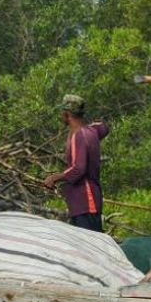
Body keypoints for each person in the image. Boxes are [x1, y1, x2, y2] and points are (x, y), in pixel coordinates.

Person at [43, 94, 109, 232]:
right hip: (87, 202)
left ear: (67, 114)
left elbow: (78, 168)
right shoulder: (92, 131)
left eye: (62, 112)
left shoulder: (78, 136)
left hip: (85, 202)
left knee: (89, 247)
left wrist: (54, 178)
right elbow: (104, 127)